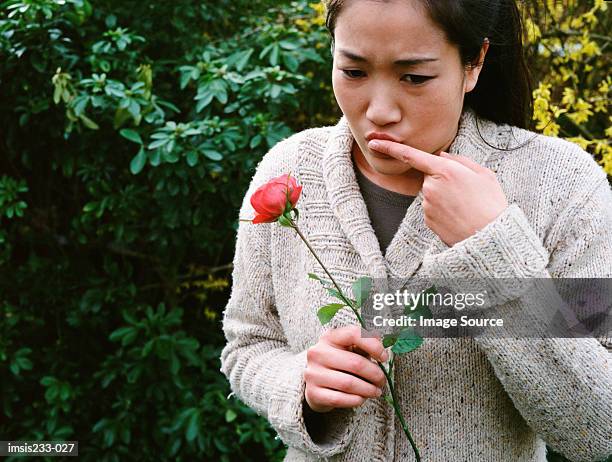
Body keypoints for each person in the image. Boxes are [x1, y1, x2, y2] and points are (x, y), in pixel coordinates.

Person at [220, 0, 612, 461]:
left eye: (415, 77)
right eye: (353, 71)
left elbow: (599, 431)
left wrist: (492, 248)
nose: (380, 111)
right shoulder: (288, 171)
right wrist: (300, 382)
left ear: (474, 63)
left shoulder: (561, 184)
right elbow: (248, 343)